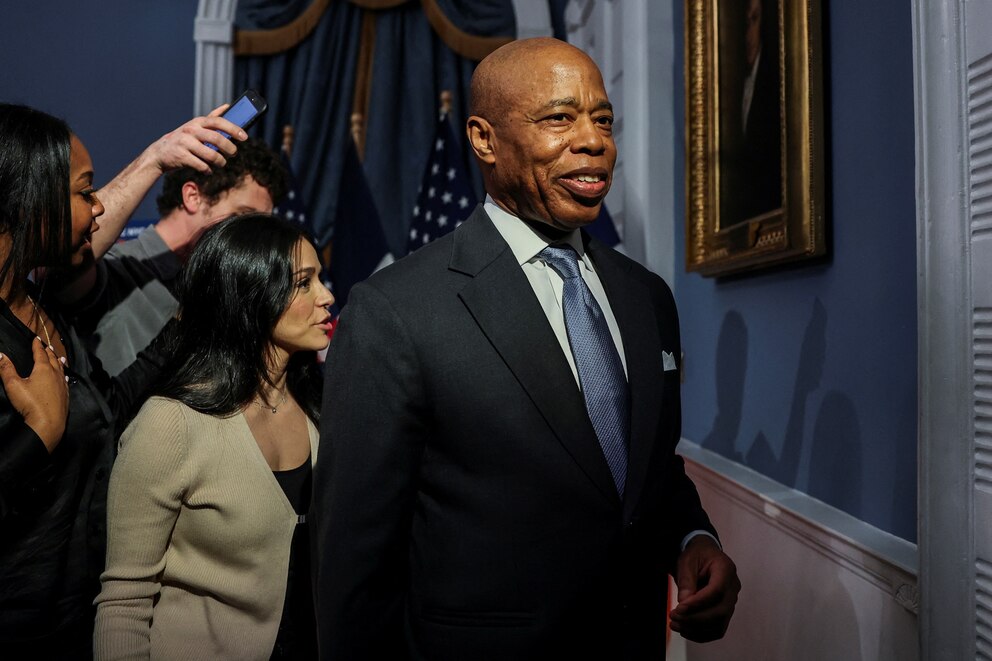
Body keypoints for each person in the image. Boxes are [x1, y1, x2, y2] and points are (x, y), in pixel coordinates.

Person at [313, 37, 740, 660]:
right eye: (559, 118)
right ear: (484, 139)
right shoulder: (395, 311)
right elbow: (354, 561)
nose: (594, 140)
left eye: (603, 120)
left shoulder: (647, 298)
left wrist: (691, 540)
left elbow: (642, 470)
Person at [0, 103, 243, 659]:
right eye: (85, 191)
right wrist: (38, 432)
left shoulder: (41, 312)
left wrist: (191, 318)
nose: (98, 206)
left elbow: (110, 405)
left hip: (76, 618)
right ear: (30, 201)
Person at [94, 213, 334, 660]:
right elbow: (124, 603)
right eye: (304, 283)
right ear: (251, 294)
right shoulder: (170, 424)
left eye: (321, 279)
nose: (327, 297)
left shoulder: (325, 408)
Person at [59, 137, 288, 377]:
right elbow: (63, 261)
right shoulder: (116, 268)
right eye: (242, 216)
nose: (254, 236)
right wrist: (154, 160)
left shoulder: (227, 292)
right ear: (192, 196)